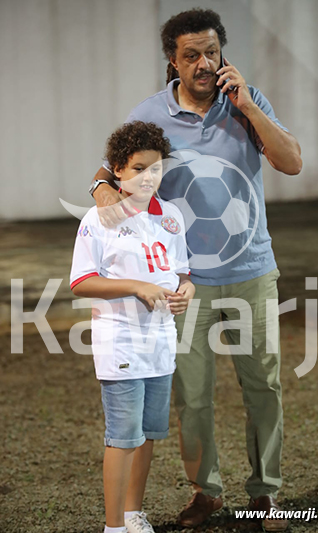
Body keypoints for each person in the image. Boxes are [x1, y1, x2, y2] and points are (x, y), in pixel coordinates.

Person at [90, 9, 302, 532]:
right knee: (193, 396)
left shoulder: (248, 105)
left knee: (264, 388)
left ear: (222, 53)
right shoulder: (152, 113)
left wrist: (249, 106)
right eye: (192, 56)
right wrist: (100, 190)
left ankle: (267, 495)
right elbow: (110, 164)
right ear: (173, 61)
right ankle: (206, 493)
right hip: (184, 283)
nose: (204, 64)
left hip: (252, 269)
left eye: (212, 52)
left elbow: (292, 161)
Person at [71, 121, 195, 533]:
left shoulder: (171, 215)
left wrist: (185, 291)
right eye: (139, 168)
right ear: (118, 170)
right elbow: (82, 282)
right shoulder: (99, 216)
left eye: (156, 168)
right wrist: (135, 286)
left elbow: (182, 274)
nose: (149, 177)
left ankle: (133, 513)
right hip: (121, 344)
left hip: (161, 343)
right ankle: (113, 527)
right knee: (122, 436)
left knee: (148, 433)